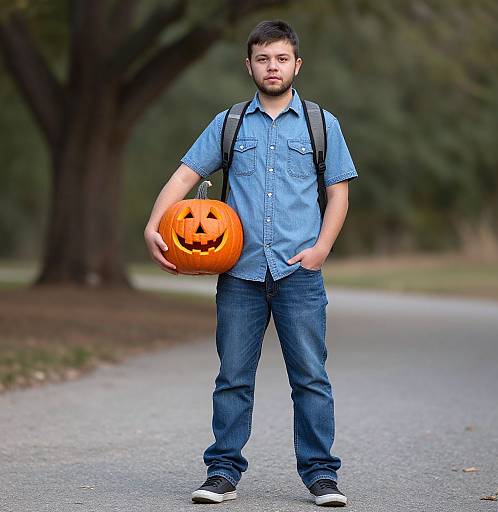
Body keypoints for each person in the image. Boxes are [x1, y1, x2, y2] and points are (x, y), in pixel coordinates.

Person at [144, 20, 357, 507]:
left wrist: (322, 247)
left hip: (299, 273)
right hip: (239, 273)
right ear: (250, 65)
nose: (272, 67)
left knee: (310, 377)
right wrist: (152, 226)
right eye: (263, 59)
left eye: (281, 58)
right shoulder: (229, 123)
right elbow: (183, 178)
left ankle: (322, 475)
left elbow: (338, 194)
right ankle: (222, 472)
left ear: (296, 65)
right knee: (233, 377)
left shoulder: (322, 125)